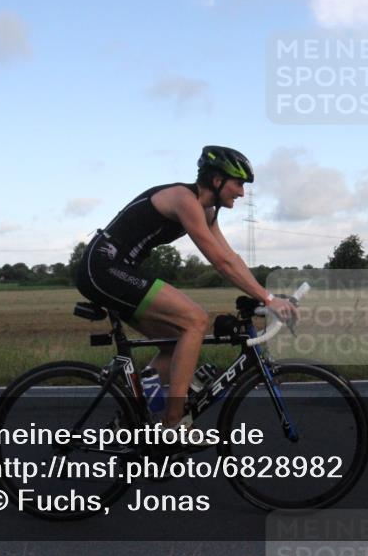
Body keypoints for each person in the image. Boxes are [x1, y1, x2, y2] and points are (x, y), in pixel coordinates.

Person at [75, 145, 298, 433]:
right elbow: (219, 263)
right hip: (103, 267)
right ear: (217, 180)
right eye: (238, 184)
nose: (242, 193)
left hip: (119, 269)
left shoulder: (207, 211)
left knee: (174, 343)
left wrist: (268, 296)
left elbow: (231, 257)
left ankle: (134, 417)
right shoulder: (184, 200)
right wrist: (268, 299)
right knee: (195, 319)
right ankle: (174, 423)